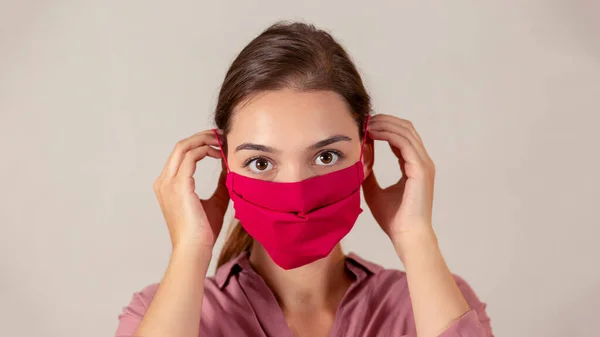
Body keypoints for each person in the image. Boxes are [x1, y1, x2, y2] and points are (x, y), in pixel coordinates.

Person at [115, 21, 493, 337]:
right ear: (227, 169)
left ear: (365, 159)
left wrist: (415, 237)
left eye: (326, 156)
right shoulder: (158, 313)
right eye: (261, 162)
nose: (297, 193)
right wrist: (191, 249)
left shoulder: (436, 302)